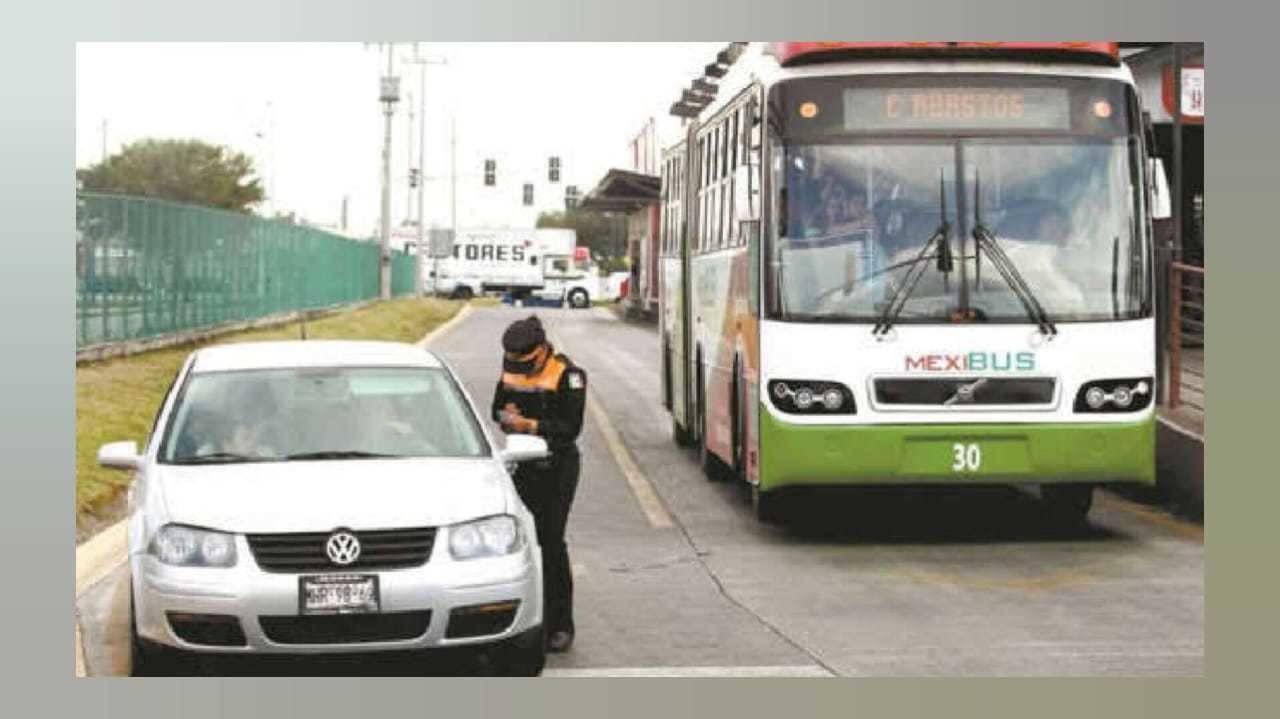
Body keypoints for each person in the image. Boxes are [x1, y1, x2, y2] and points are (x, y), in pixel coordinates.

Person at [490, 315, 587, 653]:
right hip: (521, 464)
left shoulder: (568, 375)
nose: (519, 368)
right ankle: (522, 621)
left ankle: (560, 625)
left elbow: (569, 428)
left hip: (557, 467)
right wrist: (506, 418)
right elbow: (496, 410)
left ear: (543, 350)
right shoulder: (512, 366)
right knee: (520, 542)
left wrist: (528, 425)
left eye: (526, 361)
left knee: (550, 540)